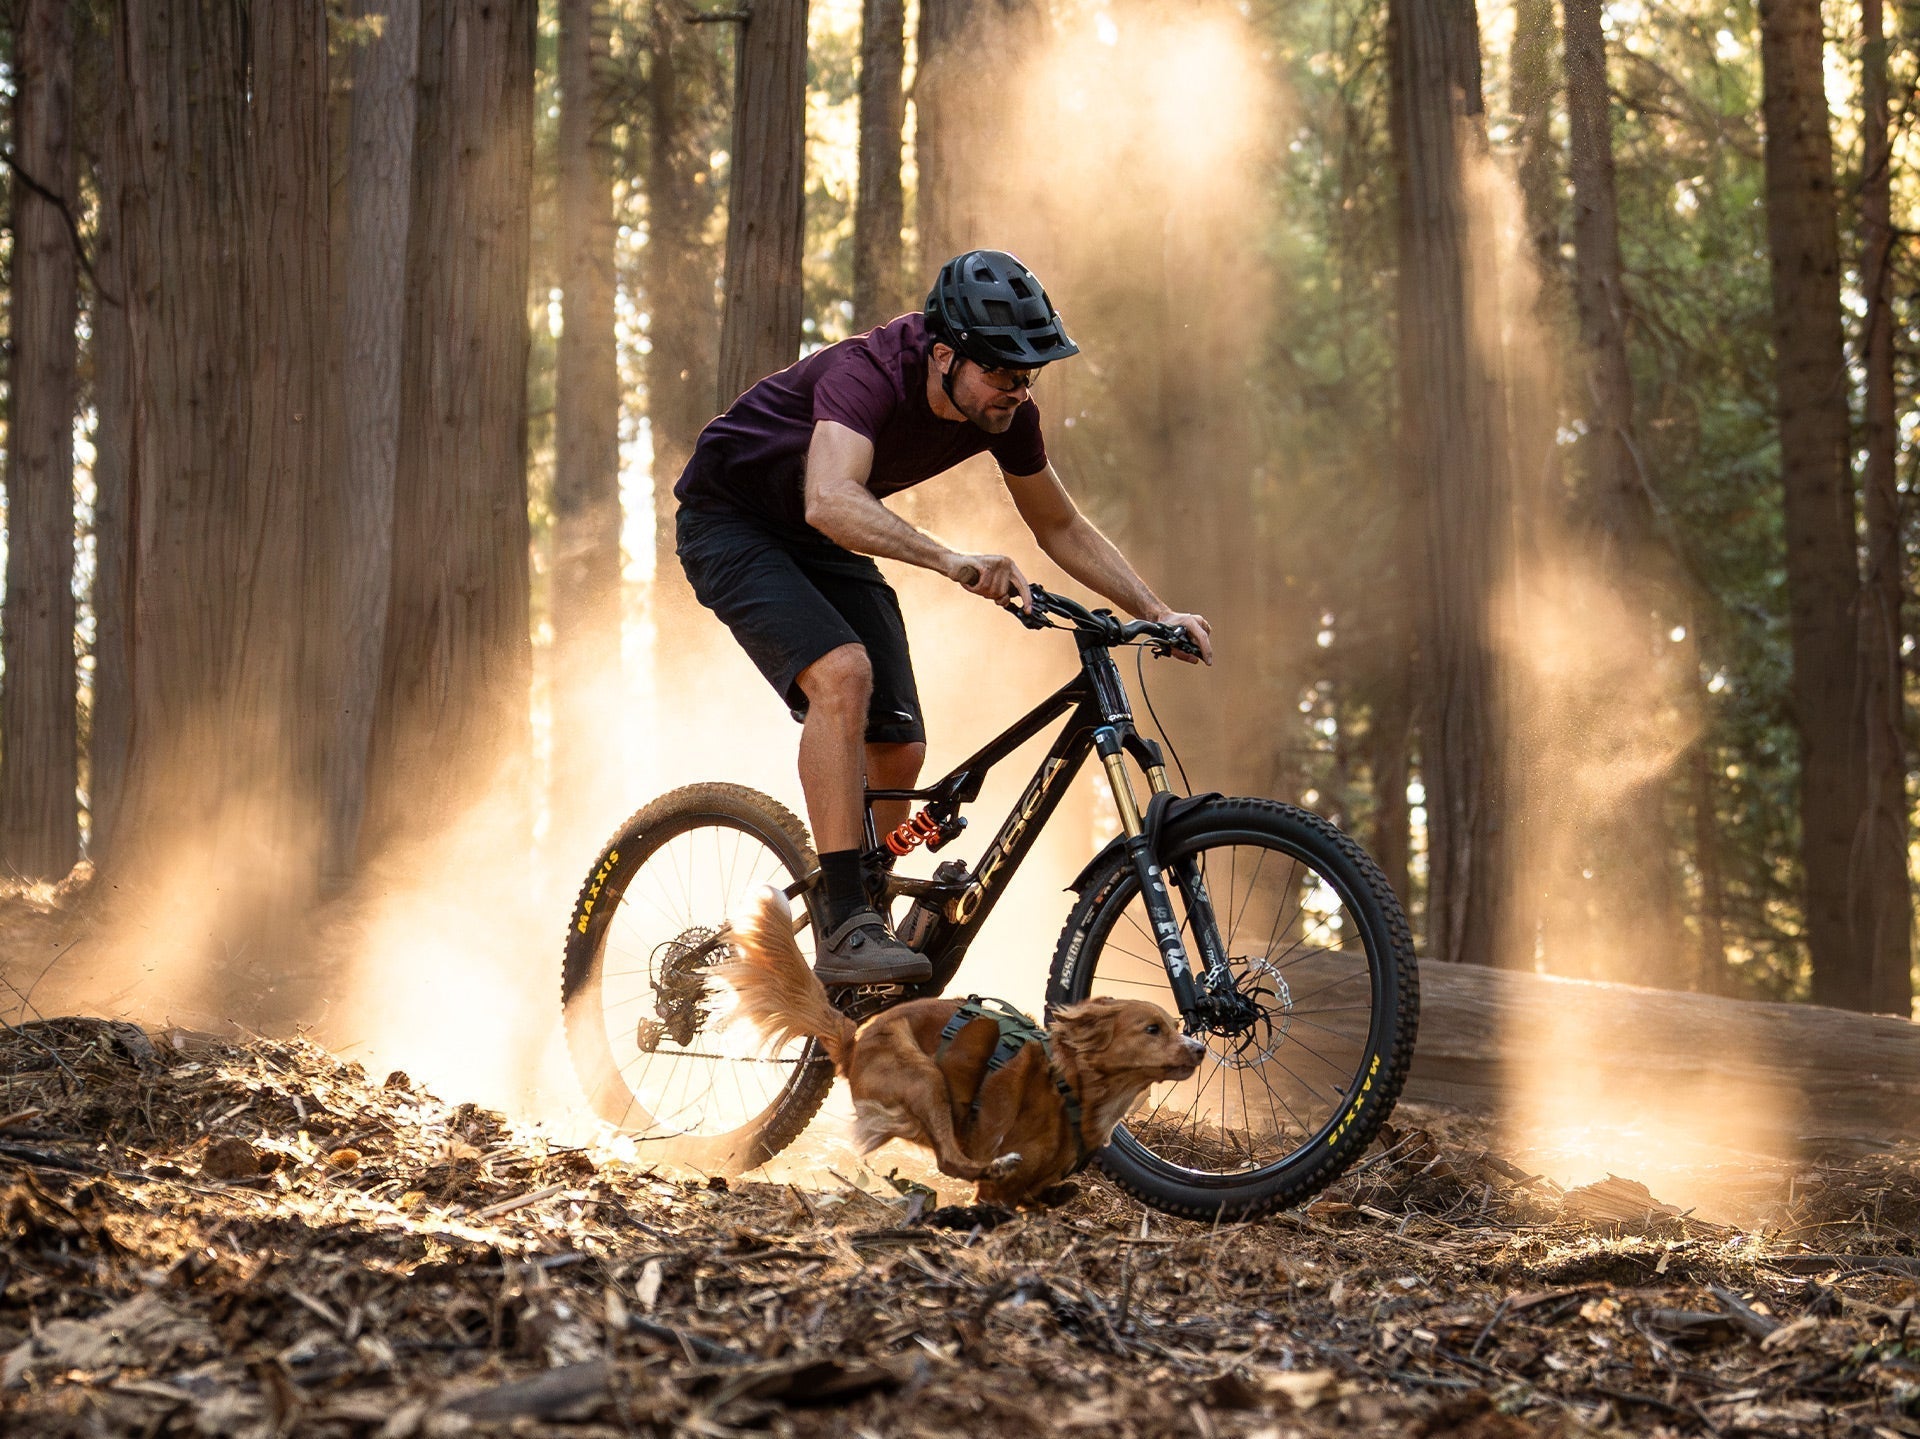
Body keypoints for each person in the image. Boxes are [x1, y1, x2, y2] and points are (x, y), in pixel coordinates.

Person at [674, 249, 1212, 986]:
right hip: (730, 521)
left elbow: (1059, 525)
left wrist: (1155, 611)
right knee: (842, 673)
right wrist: (951, 559)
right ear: (945, 355)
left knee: (899, 748)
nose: (1018, 393)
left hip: (815, 535)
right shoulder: (867, 374)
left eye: (1029, 377)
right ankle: (845, 923)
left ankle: (868, 902)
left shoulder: (1004, 410)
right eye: (1002, 373)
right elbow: (829, 497)